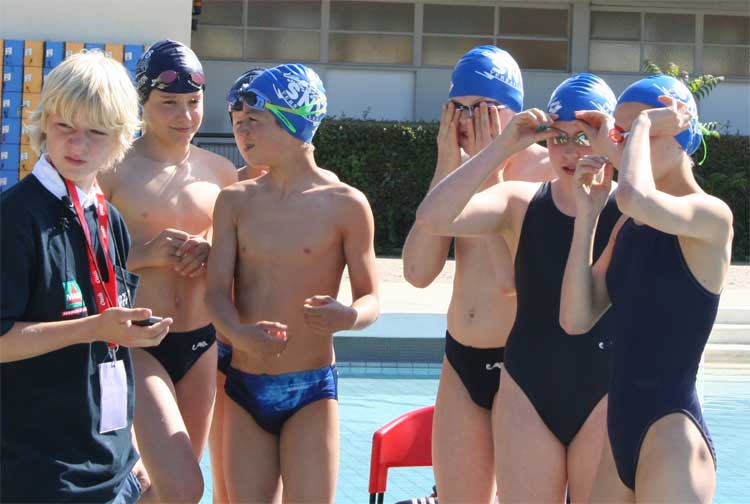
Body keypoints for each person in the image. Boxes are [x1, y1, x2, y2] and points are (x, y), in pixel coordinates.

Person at [415, 73, 621, 503]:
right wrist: (499, 149)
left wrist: (623, 156)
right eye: (559, 137)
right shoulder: (521, 201)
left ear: (608, 137)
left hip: (602, 391)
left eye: (583, 137)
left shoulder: (631, 209)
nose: (569, 151)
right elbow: (433, 218)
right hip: (528, 392)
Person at [0, 51, 173, 502]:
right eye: (65, 126)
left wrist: (128, 452)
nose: (78, 145)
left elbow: (108, 351)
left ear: (120, 138)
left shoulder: (108, 219)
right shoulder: (14, 219)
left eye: (96, 132)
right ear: (44, 124)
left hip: (110, 468)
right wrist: (93, 327)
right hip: (39, 475)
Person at [206, 63, 380, 504]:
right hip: (246, 385)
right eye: (237, 121)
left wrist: (349, 316)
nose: (241, 131)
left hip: (312, 389)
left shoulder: (345, 204)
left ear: (294, 120)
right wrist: (238, 333)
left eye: (254, 119)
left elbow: (371, 297)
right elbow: (215, 293)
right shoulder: (235, 201)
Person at [560, 74, 731, 503]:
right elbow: (576, 318)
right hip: (620, 439)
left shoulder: (711, 217)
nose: (630, 140)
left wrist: (638, 126)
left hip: (672, 440)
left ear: (681, 134)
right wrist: (587, 217)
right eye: (624, 132)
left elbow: (635, 196)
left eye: (647, 129)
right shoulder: (627, 227)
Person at [402, 45, 552, 503]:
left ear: (512, 110)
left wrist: (489, 174)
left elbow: (513, 281)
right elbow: (417, 271)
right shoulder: (457, 175)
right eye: (457, 108)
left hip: (523, 363)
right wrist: (448, 166)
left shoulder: (545, 171)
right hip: (461, 360)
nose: (466, 121)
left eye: (482, 108)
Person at [98, 39, 237, 502]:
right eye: (169, 104)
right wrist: (144, 253)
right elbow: (80, 257)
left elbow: (242, 254)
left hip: (200, 341)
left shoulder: (221, 172)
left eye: (193, 102)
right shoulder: (114, 169)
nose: (185, 116)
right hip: (137, 341)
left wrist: (213, 250)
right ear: (143, 103)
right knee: (183, 486)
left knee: (172, 490)